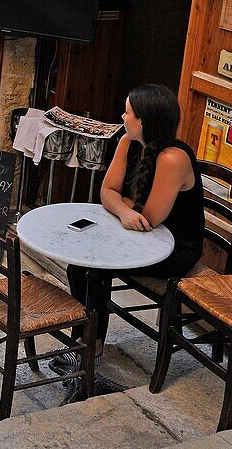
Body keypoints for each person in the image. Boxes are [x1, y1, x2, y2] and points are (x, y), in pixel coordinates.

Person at [67, 83, 204, 353]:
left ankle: (90, 344)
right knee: (77, 266)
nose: (122, 117)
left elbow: (149, 219)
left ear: (144, 121)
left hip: (172, 248)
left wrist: (123, 205)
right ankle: (85, 337)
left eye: (127, 112)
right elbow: (106, 191)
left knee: (94, 270)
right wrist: (125, 210)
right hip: (135, 235)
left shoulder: (173, 159)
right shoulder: (128, 141)